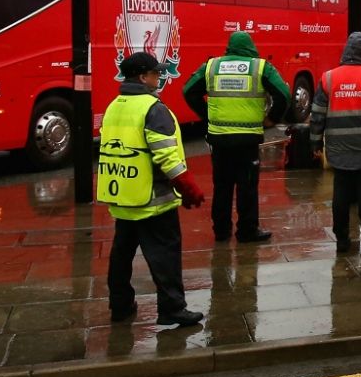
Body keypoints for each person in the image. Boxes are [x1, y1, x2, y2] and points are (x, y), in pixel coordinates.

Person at [102, 51, 207, 329]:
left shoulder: (115, 106)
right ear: (142, 77)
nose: (159, 77)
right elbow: (166, 156)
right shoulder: (153, 109)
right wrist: (187, 187)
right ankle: (172, 308)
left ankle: (121, 305)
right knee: (165, 255)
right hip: (153, 199)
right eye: (156, 73)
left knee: (121, 255)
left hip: (124, 195)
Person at [182, 30, 289, 243]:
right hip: (247, 140)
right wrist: (271, 119)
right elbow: (283, 94)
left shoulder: (211, 66)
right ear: (251, 47)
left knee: (222, 186)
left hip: (220, 139)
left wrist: (207, 115)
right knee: (247, 186)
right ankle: (247, 230)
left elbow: (188, 91)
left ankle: (221, 231)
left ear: (229, 47)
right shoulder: (260, 67)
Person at [310, 31, 361, 254]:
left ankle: (342, 241)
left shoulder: (328, 78)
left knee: (341, 193)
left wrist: (316, 143)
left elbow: (317, 114)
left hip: (337, 146)